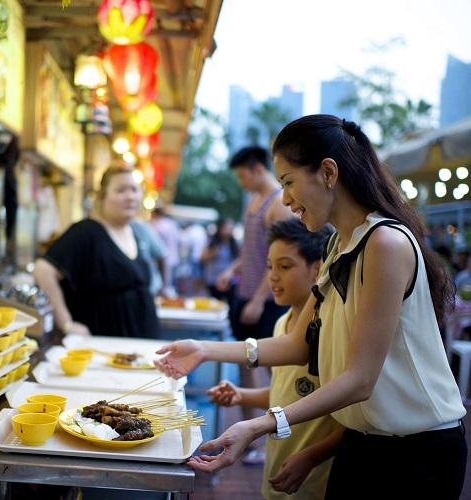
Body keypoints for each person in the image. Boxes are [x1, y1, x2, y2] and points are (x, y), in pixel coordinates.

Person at [155, 115, 466, 499]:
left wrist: (261, 425)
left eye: (288, 182)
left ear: (328, 172)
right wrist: (204, 350)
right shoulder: (338, 246)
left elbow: (360, 380)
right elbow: (299, 344)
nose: (284, 198)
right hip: (362, 440)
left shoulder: (384, 243)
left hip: (416, 451)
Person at [208, 218, 341, 499]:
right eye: (270, 267)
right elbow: (289, 394)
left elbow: (349, 418)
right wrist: (241, 395)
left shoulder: (329, 332)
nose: (273, 277)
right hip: (278, 469)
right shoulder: (281, 323)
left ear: (318, 269)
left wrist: (312, 457)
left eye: (285, 266)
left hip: (313, 479)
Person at [216, 146, 293, 464]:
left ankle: (266, 441)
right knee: (248, 366)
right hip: (246, 295)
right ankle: (249, 434)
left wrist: (260, 299)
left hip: (267, 301)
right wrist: (232, 270)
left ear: (257, 169)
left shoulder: (278, 205)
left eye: (242, 175)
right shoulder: (253, 203)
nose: (241, 181)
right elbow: (251, 250)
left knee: (269, 369)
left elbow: (278, 261)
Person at [33, 166, 159, 338]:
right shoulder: (87, 231)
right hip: (104, 343)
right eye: (121, 190)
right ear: (103, 196)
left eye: (135, 190)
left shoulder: (135, 231)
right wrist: (66, 323)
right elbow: (43, 270)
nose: (130, 196)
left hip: (140, 342)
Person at [201, 218, 239, 304]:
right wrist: (212, 253)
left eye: (231, 228)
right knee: (213, 304)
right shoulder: (211, 241)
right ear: (220, 228)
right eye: (227, 228)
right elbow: (202, 258)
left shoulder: (233, 244)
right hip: (213, 280)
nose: (229, 230)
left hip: (229, 281)